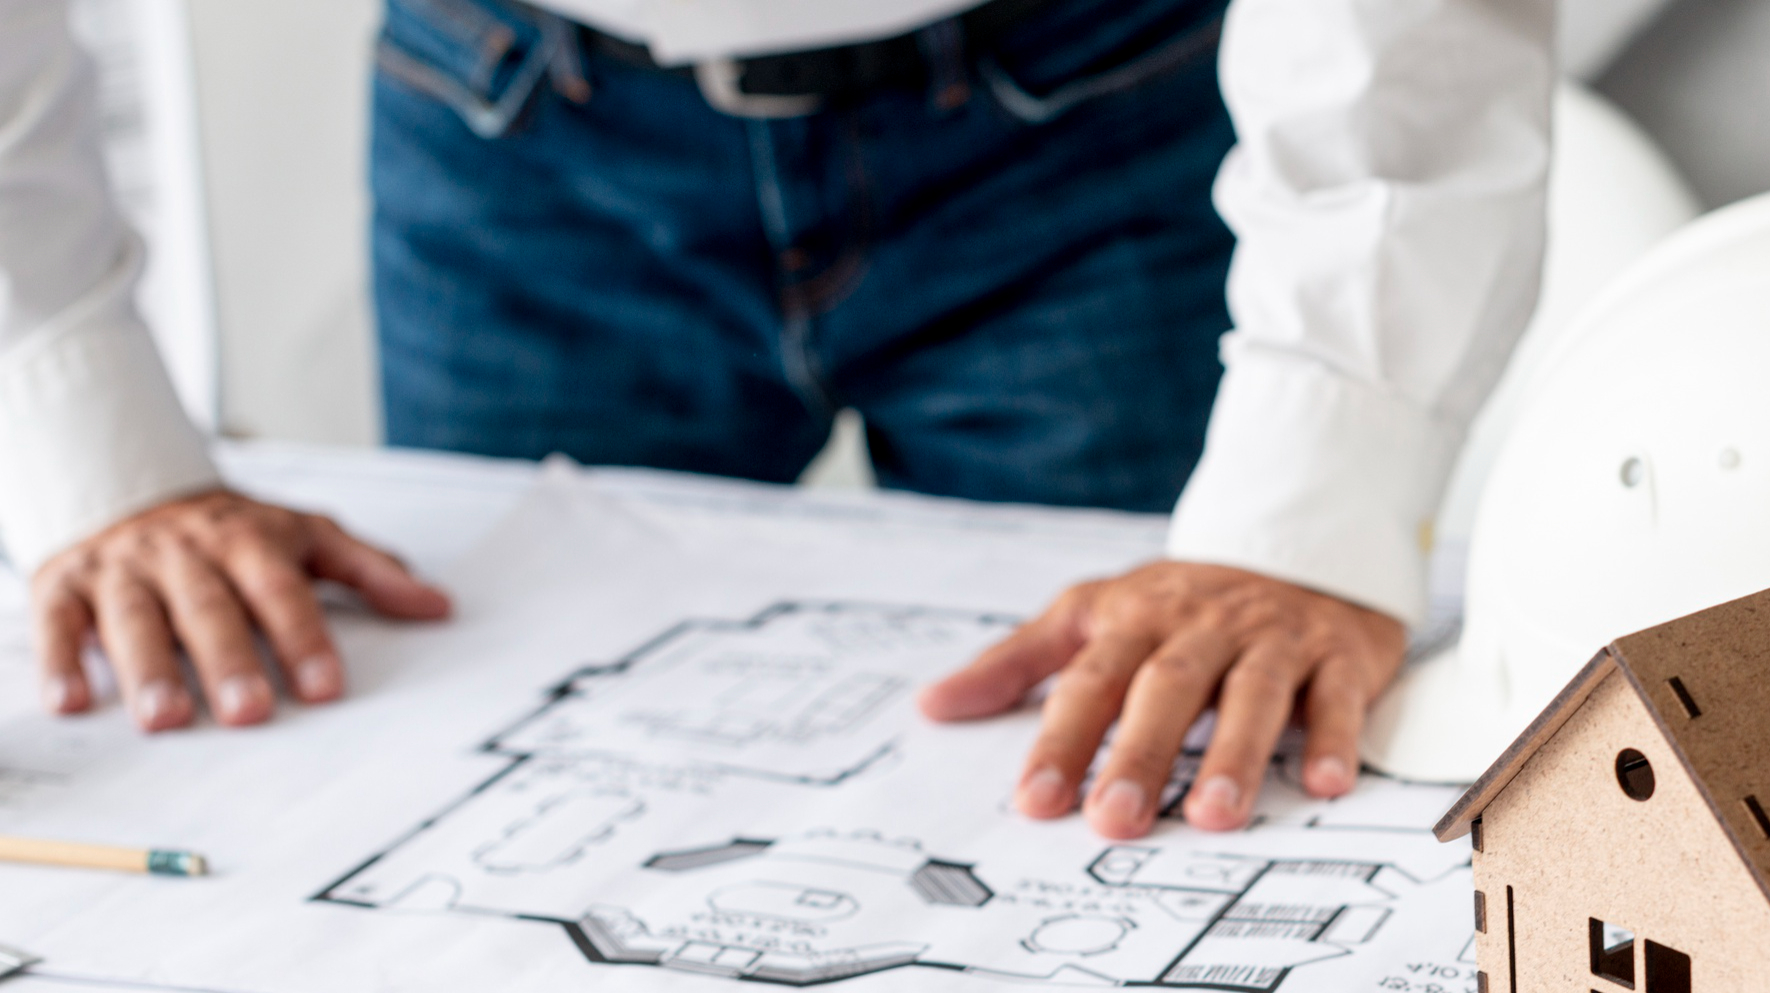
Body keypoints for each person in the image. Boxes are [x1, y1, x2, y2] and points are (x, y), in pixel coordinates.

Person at [0, 0, 1554, 839]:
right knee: (499, 797)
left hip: (1081, 97)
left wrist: (1311, 497)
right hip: (513, 112)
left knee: (1154, 781)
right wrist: (76, 418)